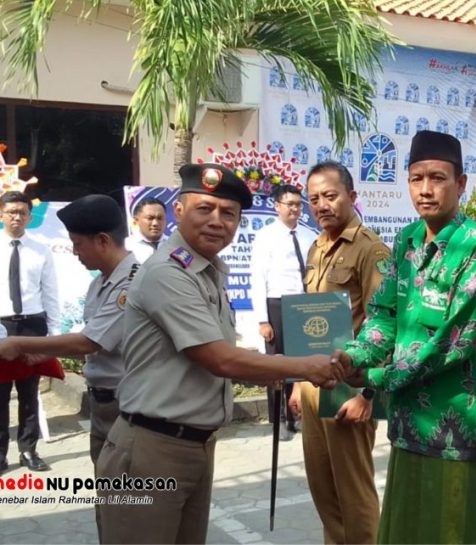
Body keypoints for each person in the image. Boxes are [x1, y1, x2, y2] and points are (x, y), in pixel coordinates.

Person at [96, 163, 344, 544]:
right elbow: (219, 359)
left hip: (193, 445)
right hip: (150, 450)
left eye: (228, 213)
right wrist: (302, 367)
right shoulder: (168, 273)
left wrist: (269, 368)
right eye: (204, 209)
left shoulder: (208, 271)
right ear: (178, 210)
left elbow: (223, 352)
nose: (217, 221)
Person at [341, 130, 476, 544]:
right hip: (407, 421)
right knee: (404, 530)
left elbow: (453, 343)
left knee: (448, 532)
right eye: (416, 178)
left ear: (461, 184)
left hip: (454, 425)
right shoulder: (407, 239)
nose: (425, 189)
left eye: (438, 178)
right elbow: (384, 315)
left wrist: (375, 377)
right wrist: (354, 355)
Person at [0, 194, 139, 537]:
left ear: (102, 240)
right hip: (103, 405)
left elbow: (90, 341)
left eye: (78, 244)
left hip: (127, 407)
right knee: (108, 501)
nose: (75, 252)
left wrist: (21, 345)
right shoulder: (100, 282)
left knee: (128, 506)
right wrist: (42, 353)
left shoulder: (131, 283)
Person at [289, 160, 390, 544]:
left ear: (351, 196)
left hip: (350, 388)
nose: (321, 205)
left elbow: (387, 324)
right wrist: (298, 382)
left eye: (330, 196)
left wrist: (370, 395)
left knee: (354, 493)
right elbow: (307, 322)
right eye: (314, 198)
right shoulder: (316, 248)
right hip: (314, 383)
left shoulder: (371, 250)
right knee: (324, 488)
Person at [249, 183, 316, 440]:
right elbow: (257, 277)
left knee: (300, 363)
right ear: (277, 206)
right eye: (290, 204)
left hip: (303, 305)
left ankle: (296, 416)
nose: (295, 209)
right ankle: (278, 420)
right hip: (275, 303)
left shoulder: (310, 236)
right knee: (276, 365)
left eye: (299, 204)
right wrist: (262, 320)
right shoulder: (265, 236)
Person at [0, 191, 60, 475]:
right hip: (1, 326)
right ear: (1, 214)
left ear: (29, 216)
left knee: (29, 393)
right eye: (11, 211)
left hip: (33, 326)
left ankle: (28, 450)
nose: (17, 217)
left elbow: (50, 293)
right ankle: (0, 454)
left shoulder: (41, 250)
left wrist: (54, 336)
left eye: (22, 212)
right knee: (0, 395)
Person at [125, 197, 168, 263]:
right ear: (136, 220)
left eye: (160, 218)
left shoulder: (174, 245)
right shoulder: (127, 246)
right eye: (150, 218)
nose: (155, 223)